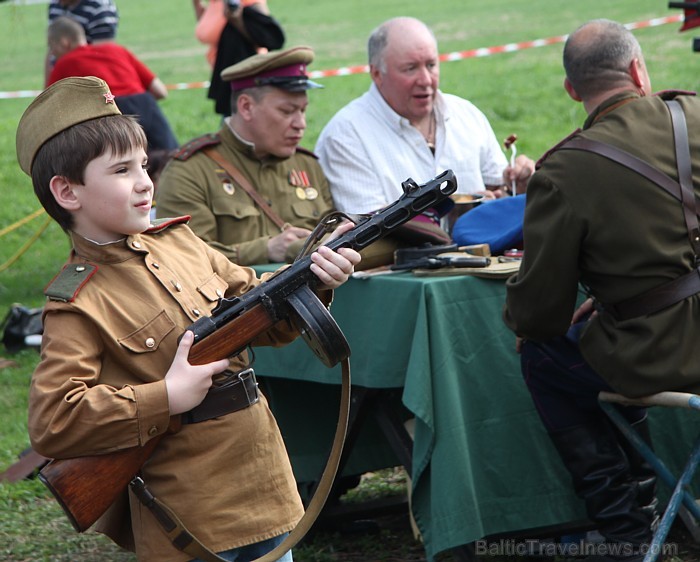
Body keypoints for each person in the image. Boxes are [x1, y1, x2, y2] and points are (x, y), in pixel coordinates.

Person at [17, 76, 360, 562]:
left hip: (263, 479)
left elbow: (267, 315)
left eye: (142, 164)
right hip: (189, 512)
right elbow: (54, 421)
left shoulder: (182, 243)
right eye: (121, 171)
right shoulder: (79, 302)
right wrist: (165, 397)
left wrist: (315, 278)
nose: (144, 181)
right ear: (67, 192)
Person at [503, 19, 700, 560]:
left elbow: (539, 315)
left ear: (572, 90)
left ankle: (626, 529)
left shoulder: (564, 170)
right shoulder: (696, 112)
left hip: (667, 355)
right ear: (639, 69)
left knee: (545, 356)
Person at [315, 16, 535, 214]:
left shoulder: (466, 115)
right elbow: (366, 230)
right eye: (410, 68)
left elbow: (497, 189)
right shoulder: (345, 136)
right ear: (376, 74)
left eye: (431, 65)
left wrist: (516, 188)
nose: (426, 80)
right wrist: (458, 210)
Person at [156, 46, 333, 266]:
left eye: (303, 110)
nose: (301, 124)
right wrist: (267, 250)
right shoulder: (189, 171)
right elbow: (186, 258)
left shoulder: (307, 165)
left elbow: (335, 238)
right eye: (287, 111)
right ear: (247, 107)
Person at [47, 16, 179, 155]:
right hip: (145, 104)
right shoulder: (117, 50)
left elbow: (50, 108)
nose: (52, 53)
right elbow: (161, 91)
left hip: (110, 113)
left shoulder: (64, 63)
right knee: (170, 159)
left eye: (51, 46)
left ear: (64, 42)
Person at [208, 0, 285, 119]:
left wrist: (238, 21)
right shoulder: (214, 3)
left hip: (248, 76)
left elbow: (270, 39)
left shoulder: (250, 4)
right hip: (226, 77)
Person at [45, 0, 119, 85]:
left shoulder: (100, 8)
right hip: (63, 78)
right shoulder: (55, 5)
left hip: (89, 84)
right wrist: (47, 92)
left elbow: (103, 57)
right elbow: (52, 48)